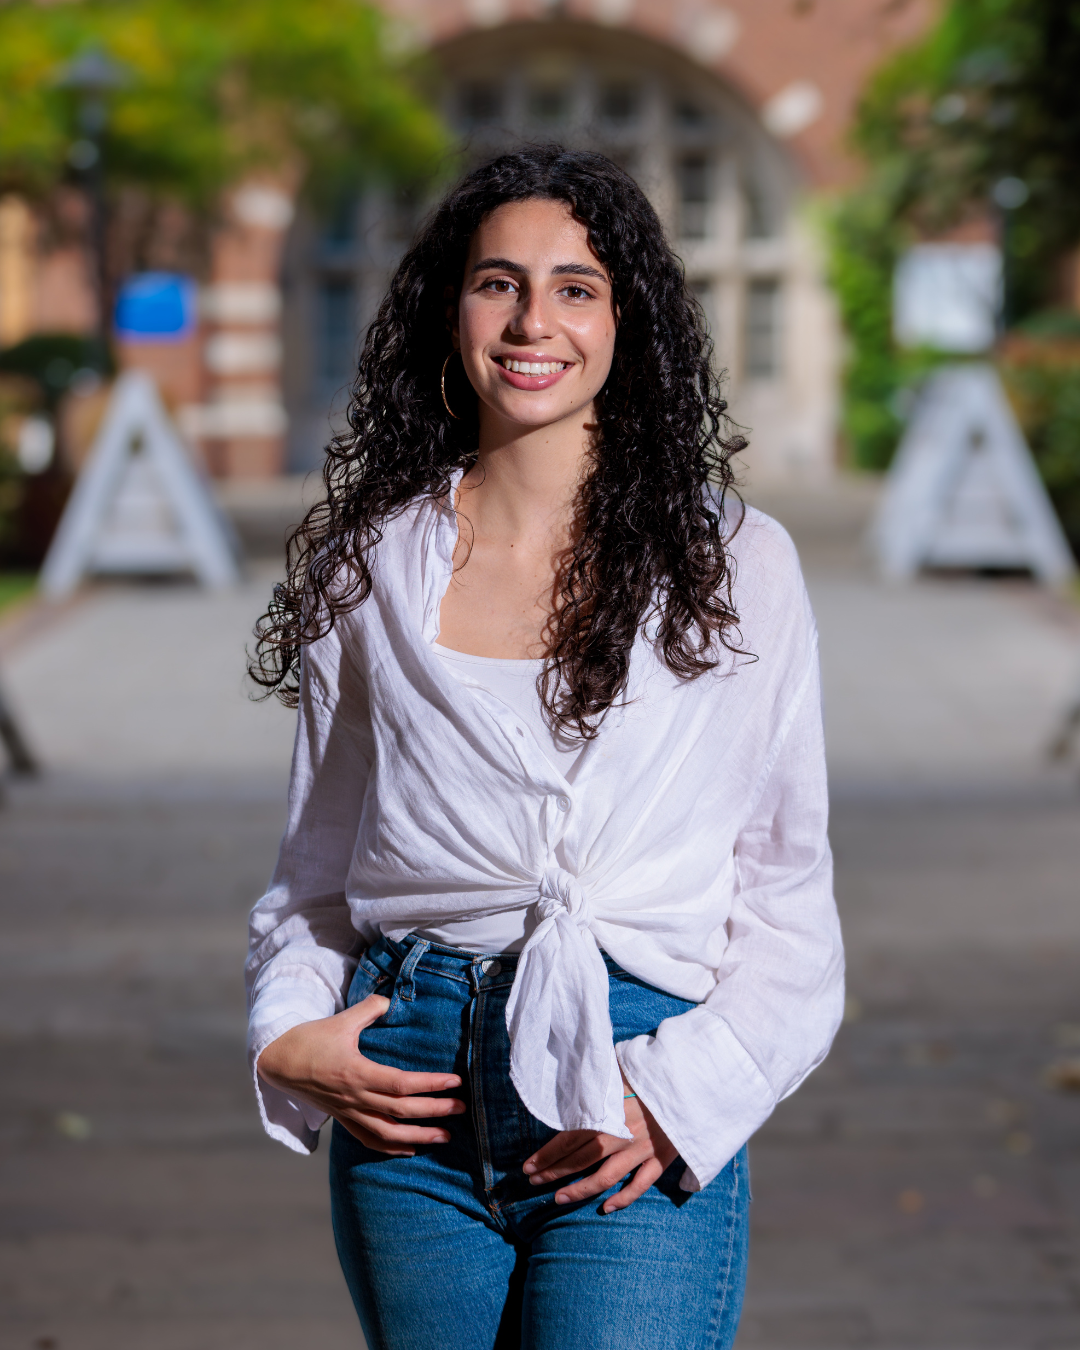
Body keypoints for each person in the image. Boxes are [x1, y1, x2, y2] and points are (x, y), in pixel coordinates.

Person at [246, 145, 844, 1350]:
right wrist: (284, 1033)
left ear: (630, 322)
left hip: (635, 1074)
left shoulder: (736, 570)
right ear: (448, 309)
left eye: (577, 287)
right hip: (409, 1088)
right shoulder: (372, 567)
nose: (534, 321)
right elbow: (315, 873)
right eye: (498, 282)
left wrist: (682, 1098)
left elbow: (787, 892)